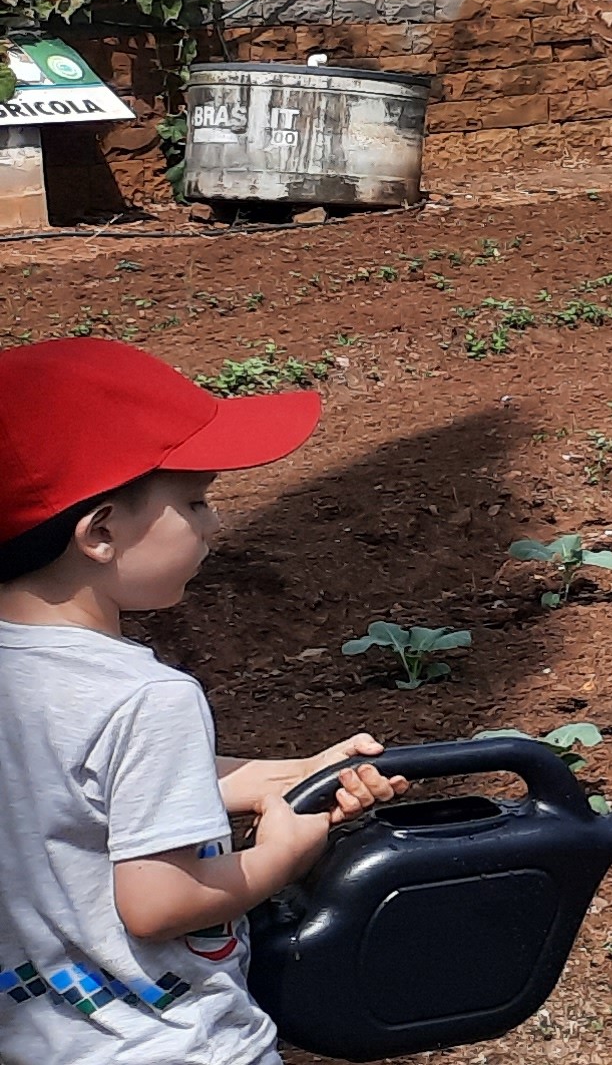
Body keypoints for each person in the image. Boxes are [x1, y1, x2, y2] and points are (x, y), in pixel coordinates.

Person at [0, 338, 408, 1065]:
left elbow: (84, 788)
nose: (215, 524)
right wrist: (279, 857)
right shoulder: (149, 696)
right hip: (171, 1046)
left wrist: (294, 774)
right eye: (195, 500)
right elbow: (160, 902)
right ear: (98, 533)